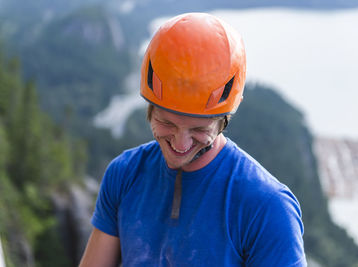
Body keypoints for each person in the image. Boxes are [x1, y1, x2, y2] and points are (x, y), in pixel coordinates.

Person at [79, 12, 306, 267]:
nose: (180, 144)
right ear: (150, 108)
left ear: (224, 120)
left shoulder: (267, 207)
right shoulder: (124, 174)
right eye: (167, 123)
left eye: (198, 128)